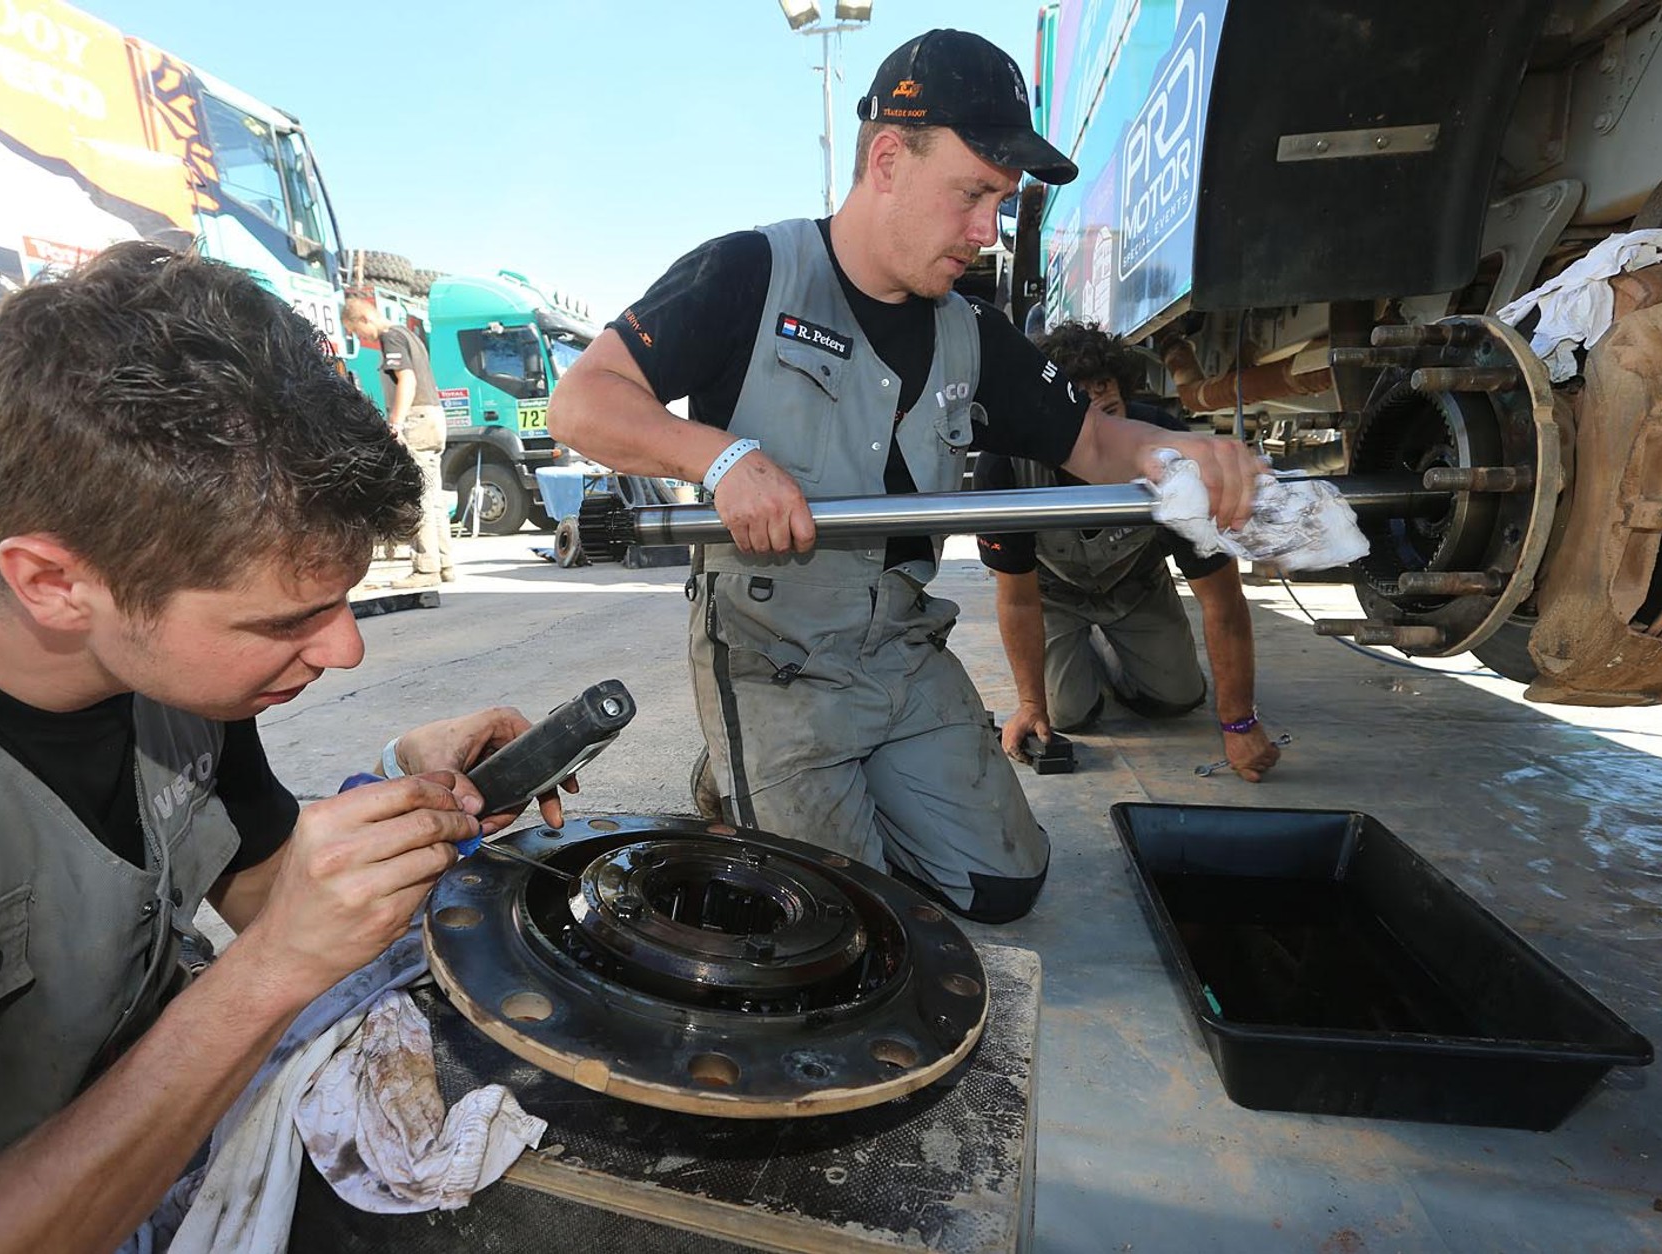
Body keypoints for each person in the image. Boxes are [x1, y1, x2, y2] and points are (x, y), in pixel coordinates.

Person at [0, 242, 564, 1252]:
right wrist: (264, 976)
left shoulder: (159, 668)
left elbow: (260, 886)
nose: (345, 647)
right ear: (54, 582)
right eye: (285, 620)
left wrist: (406, 795)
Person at [549, 29, 1263, 924]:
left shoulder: (976, 332)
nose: (984, 231)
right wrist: (723, 459)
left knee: (1005, 888)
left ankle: (811, 790)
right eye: (972, 194)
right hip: (776, 652)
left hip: (900, 646)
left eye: (1000, 203)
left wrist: (1180, 455)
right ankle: (741, 781)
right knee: (837, 917)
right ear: (888, 157)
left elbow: (1096, 445)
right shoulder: (748, 272)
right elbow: (580, 405)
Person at [975, 322, 1283, 782]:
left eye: (1109, 401)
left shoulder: (1173, 450)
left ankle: (1118, 653)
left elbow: (1222, 599)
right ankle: (1080, 651)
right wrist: (1030, 705)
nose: (1099, 419)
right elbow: (1018, 597)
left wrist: (1238, 722)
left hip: (1137, 587)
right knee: (1069, 715)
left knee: (1177, 700)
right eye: (1078, 404)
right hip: (1053, 595)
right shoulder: (1005, 465)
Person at [341, 295, 455, 588]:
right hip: (433, 416)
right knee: (435, 497)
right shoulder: (408, 334)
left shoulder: (390, 337)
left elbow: (407, 380)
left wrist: (396, 422)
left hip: (415, 419)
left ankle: (426, 569)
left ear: (365, 319)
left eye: (355, 331)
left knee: (419, 494)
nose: (360, 338)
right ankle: (444, 564)